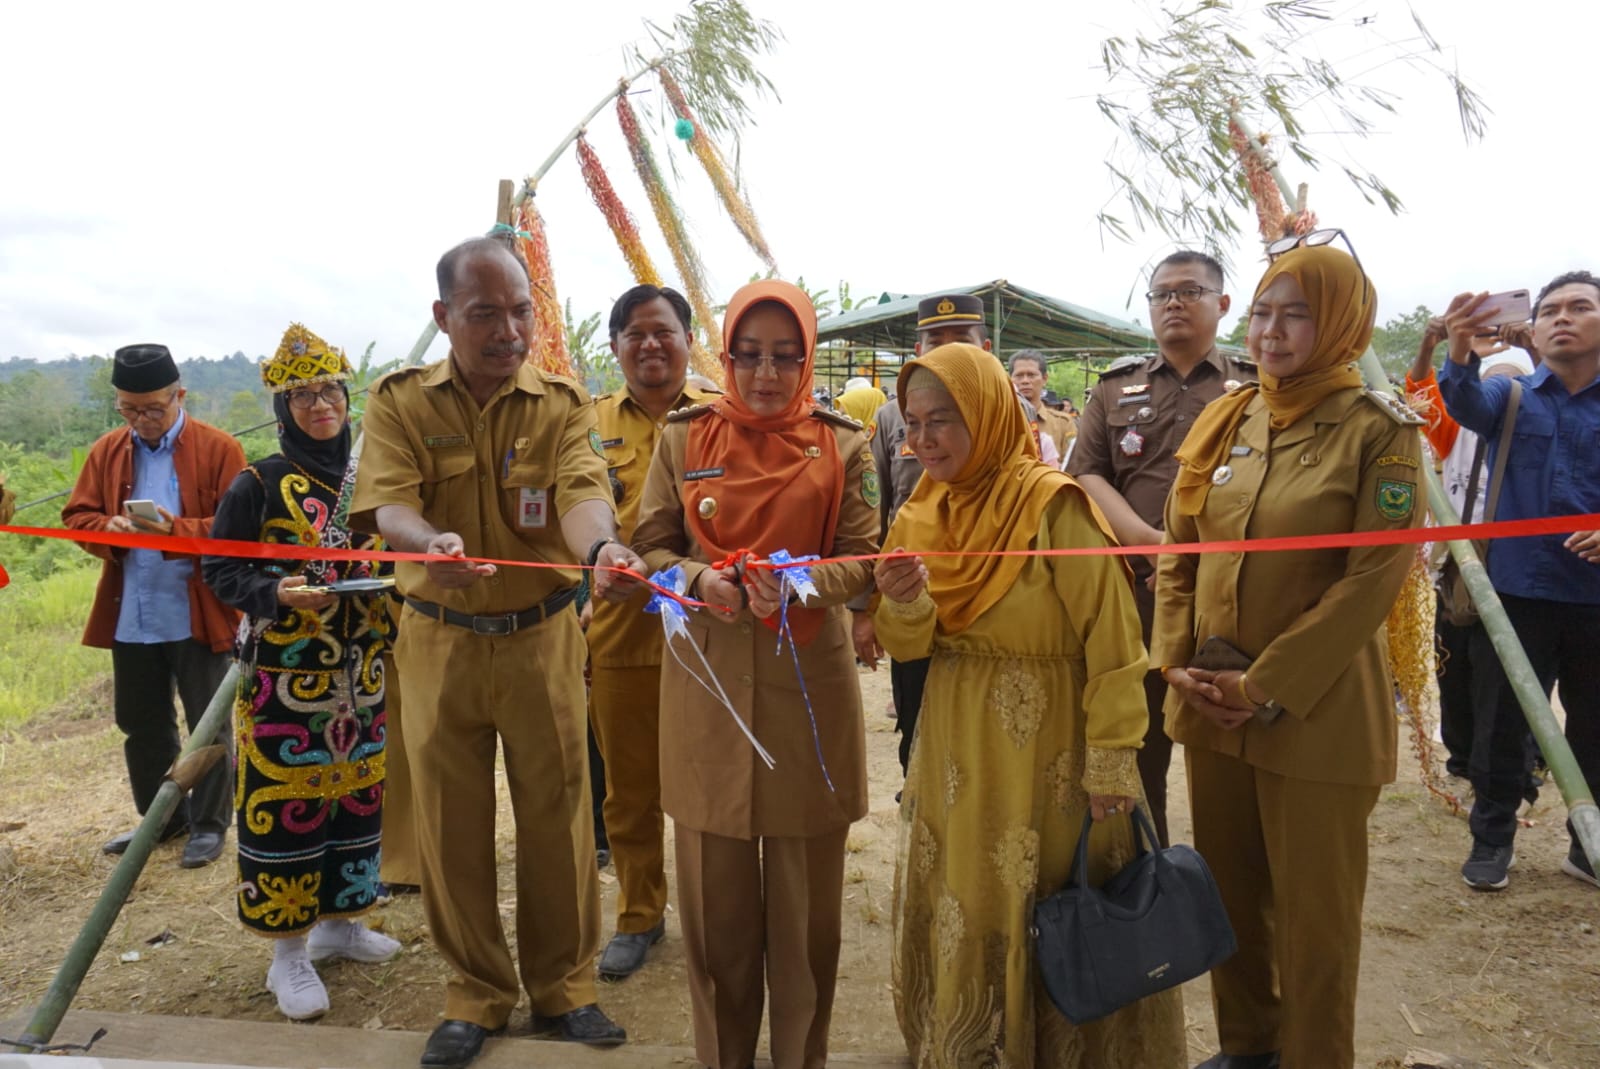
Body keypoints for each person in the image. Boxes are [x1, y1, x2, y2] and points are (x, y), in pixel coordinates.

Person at [348, 236, 646, 1069]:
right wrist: (427, 541)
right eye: (486, 313)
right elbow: (390, 504)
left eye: (521, 310)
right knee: (452, 826)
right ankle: (475, 993)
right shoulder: (401, 400)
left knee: (559, 815)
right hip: (438, 641)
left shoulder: (558, 402)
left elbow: (584, 492)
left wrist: (600, 555)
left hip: (541, 637)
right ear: (444, 316)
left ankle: (565, 989)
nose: (509, 328)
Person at [1152, 238, 1425, 1069]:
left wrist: (1265, 683)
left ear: (1340, 321)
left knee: (1315, 922)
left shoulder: (1380, 432)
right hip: (1211, 705)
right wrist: (1174, 659)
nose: (1272, 331)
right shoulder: (1227, 417)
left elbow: (1371, 581)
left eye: (1296, 313)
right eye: (1264, 311)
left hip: (1315, 714)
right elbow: (1179, 547)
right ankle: (1249, 1048)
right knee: (1230, 899)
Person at [873, 342, 1183, 1068]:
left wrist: (1111, 756)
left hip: (1055, 750)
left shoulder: (1053, 503)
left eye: (942, 420)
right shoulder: (921, 510)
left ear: (985, 412)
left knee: (1054, 901)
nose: (923, 440)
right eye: (912, 423)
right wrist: (906, 604)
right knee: (973, 902)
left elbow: (1114, 639)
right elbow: (907, 643)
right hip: (957, 744)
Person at [631, 279, 877, 1069]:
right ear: (727, 354)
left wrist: (801, 578)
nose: (765, 373)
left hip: (808, 698)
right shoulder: (684, 438)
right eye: (750, 355)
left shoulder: (845, 445)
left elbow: (865, 562)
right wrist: (700, 580)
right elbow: (651, 550)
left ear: (807, 359)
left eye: (785, 356)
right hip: (709, 696)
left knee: (805, 929)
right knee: (716, 918)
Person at [201, 323, 400, 1020]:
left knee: (359, 797)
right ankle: (287, 955)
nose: (320, 406)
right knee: (288, 807)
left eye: (330, 392)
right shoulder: (259, 481)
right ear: (284, 408)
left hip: (362, 675)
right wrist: (277, 592)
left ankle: (343, 924)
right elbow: (220, 567)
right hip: (285, 680)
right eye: (304, 396)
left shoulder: (374, 476)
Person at [1067, 250, 1256, 847]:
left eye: (1190, 291)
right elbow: (1088, 474)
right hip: (1135, 594)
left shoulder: (1257, 386)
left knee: (1225, 750)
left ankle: (1225, 891)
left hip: (1228, 595)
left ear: (1222, 304)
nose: (1173, 302)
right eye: (1160, 294)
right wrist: (1150, 543)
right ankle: (1149, 885)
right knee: (1136, 747)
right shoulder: (1116, 387)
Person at [1439, 271, 1600, 893]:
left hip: (1594, 598)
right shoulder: (1511, 397)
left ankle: (1587, 846)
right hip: (1516, 594)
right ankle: (1492, 839)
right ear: (1533, 328)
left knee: (1596, 725)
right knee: (1500, 724)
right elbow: (1461, 403)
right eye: (1550, 309)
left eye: (1579, 307)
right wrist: (1457, 345)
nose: (1562, 317)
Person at [62, 343, 245, 868]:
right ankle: (161, 820)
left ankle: (209, 826)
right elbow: (77, 517)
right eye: (129, 409)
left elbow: (240, 532)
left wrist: (174, 531)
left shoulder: (218, 448)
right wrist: (110, 530)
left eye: (153, 409)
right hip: (132, 613)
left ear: (179, 395)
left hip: (196, 611)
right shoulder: (107, 451)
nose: (141, 420)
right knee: (141, 724)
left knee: (207, 723)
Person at [586, 283, 720, 981]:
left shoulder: (721, 419)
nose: (649, 344)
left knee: (710, 779)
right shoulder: (587, 422)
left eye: (663, 330)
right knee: (630, 785)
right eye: (633, 333)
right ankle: (640, 912)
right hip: (618, 630)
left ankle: (715, 911)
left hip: (707, 627)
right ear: (614, 347)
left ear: (687, 338)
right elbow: (566, 509)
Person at [864, 293, 1000, 776]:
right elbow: (876, 514)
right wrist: (869, 607)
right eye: (933, 342)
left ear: (986, 346)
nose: (924, 437)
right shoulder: (889, 419)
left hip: (995, 618)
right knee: (921, 753)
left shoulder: (1005, 413)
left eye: (960, 341)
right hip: (913, 606)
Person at [1404, 318, 1537, 789]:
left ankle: (1513, 765)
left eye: (1515, 383)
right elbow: (1419, 390)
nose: (1503, 392)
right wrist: (1430, 343)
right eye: (1492, 382)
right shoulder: (1456, 431)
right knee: (1455, 667)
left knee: (1503, 677)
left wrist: (1537, 351)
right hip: (1460, 567)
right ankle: (1462, 759)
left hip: (1518, 566)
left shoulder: (1539, 434)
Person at [1010, 349, 1077, 467]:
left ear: (1045, 379)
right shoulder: (1001, 421)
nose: (1025, 381)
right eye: (1019, 376)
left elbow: (1073, 465)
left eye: (1031, 375)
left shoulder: (1063, 423)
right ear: (1010, 379)